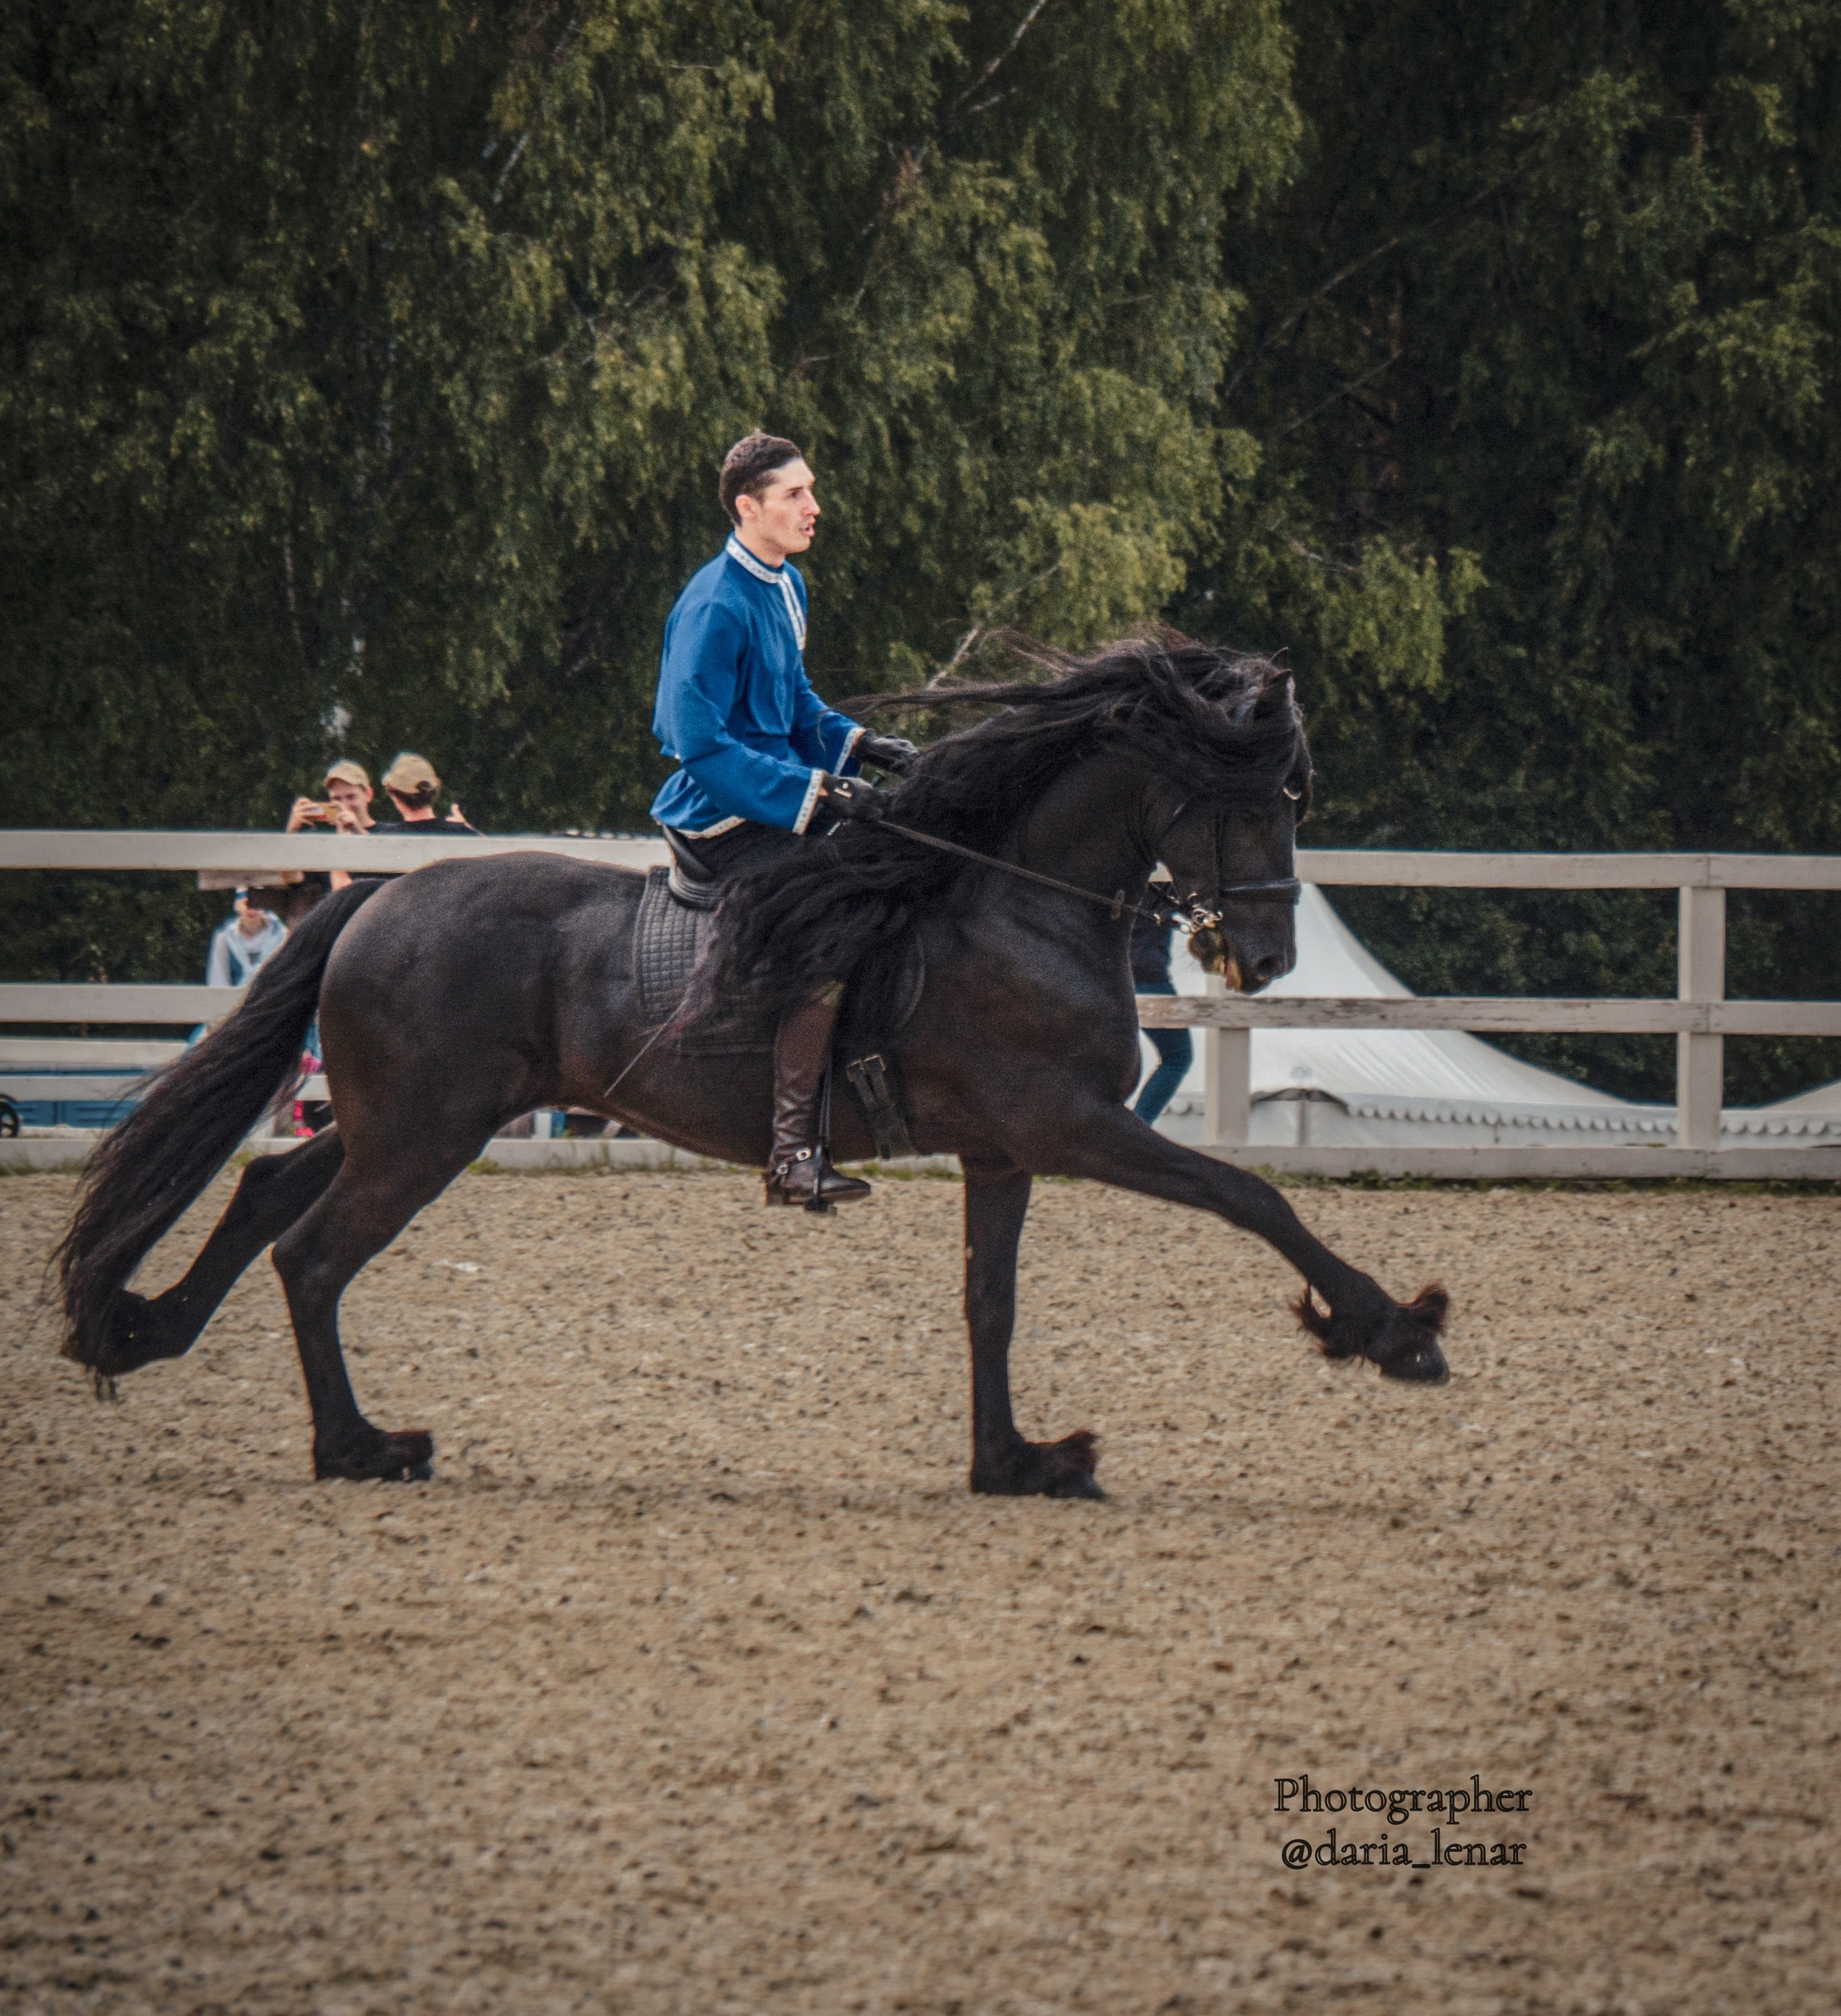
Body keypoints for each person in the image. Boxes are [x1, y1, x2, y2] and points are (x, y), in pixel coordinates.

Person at [651, 431, 917, 1209]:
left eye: (810, 490)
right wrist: (816, 795)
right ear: (748, 508)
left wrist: (861, 744)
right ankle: (793, 1152)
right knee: (831, 926)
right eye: (795, 494)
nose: (814, 506)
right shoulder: (711, 604)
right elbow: (699, 744)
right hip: (725, 813)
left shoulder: (786, 585)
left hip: (787, 790)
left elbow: (793, 701)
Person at [1130, 887, 1193, 1128]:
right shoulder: (1164, 879)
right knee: (1177, 1056)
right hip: (1147, 977)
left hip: (1104, 976)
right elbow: (1198, 906)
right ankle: (1136, 1131)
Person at [368, 753, 483, 836]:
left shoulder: (384, 838)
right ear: (435, 789)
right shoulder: (462, 833)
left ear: (395, 795)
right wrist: (470, 830)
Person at [205, 894, 288, 988]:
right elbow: (218, 982)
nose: (252, 908)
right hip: (234, 1000)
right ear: (237, 905)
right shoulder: (224, 937)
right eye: (246, 903)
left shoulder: (281, 936)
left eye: (257, 902)